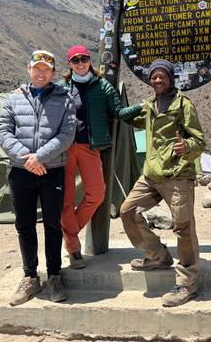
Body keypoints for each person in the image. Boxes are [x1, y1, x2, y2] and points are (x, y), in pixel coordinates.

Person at [120, 59, 205, 307]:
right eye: (154, 77)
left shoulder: (183, 105)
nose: (158, 80)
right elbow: (129, 118)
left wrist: (186, 146)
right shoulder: (148, 105)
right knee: (128, 211)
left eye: (162, 76)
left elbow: (199, 141)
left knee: (183, 228)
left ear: (170, 79)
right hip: (151, 174)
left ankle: (187, 284)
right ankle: (157, 255)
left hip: (177, 174)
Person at [0, 50, 76, 306]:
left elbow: (67, 134)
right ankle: (30, 276)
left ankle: (54, 275)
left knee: (52, 224)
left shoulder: (64, 99)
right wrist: (26, 158)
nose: (41, 73)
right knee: (24, 225)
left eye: (47, 69)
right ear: (28, 68)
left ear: (53, 73)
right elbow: (3, 131)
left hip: (51, 170)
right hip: (21, 172)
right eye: (37, 68)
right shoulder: (13, 99)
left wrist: (39, 157)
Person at [60, 45, 141, 269]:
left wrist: (143, 106)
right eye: (75, 60)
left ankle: (69, 233)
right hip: (64, 149)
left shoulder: (102, 85)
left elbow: (118, 112)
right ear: (70, 63)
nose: (80, 63)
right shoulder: (61, 87)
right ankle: (74, 249)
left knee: (97, 194)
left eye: (84, 58)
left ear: (89, 61)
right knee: (66, 199)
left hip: (90, 146)